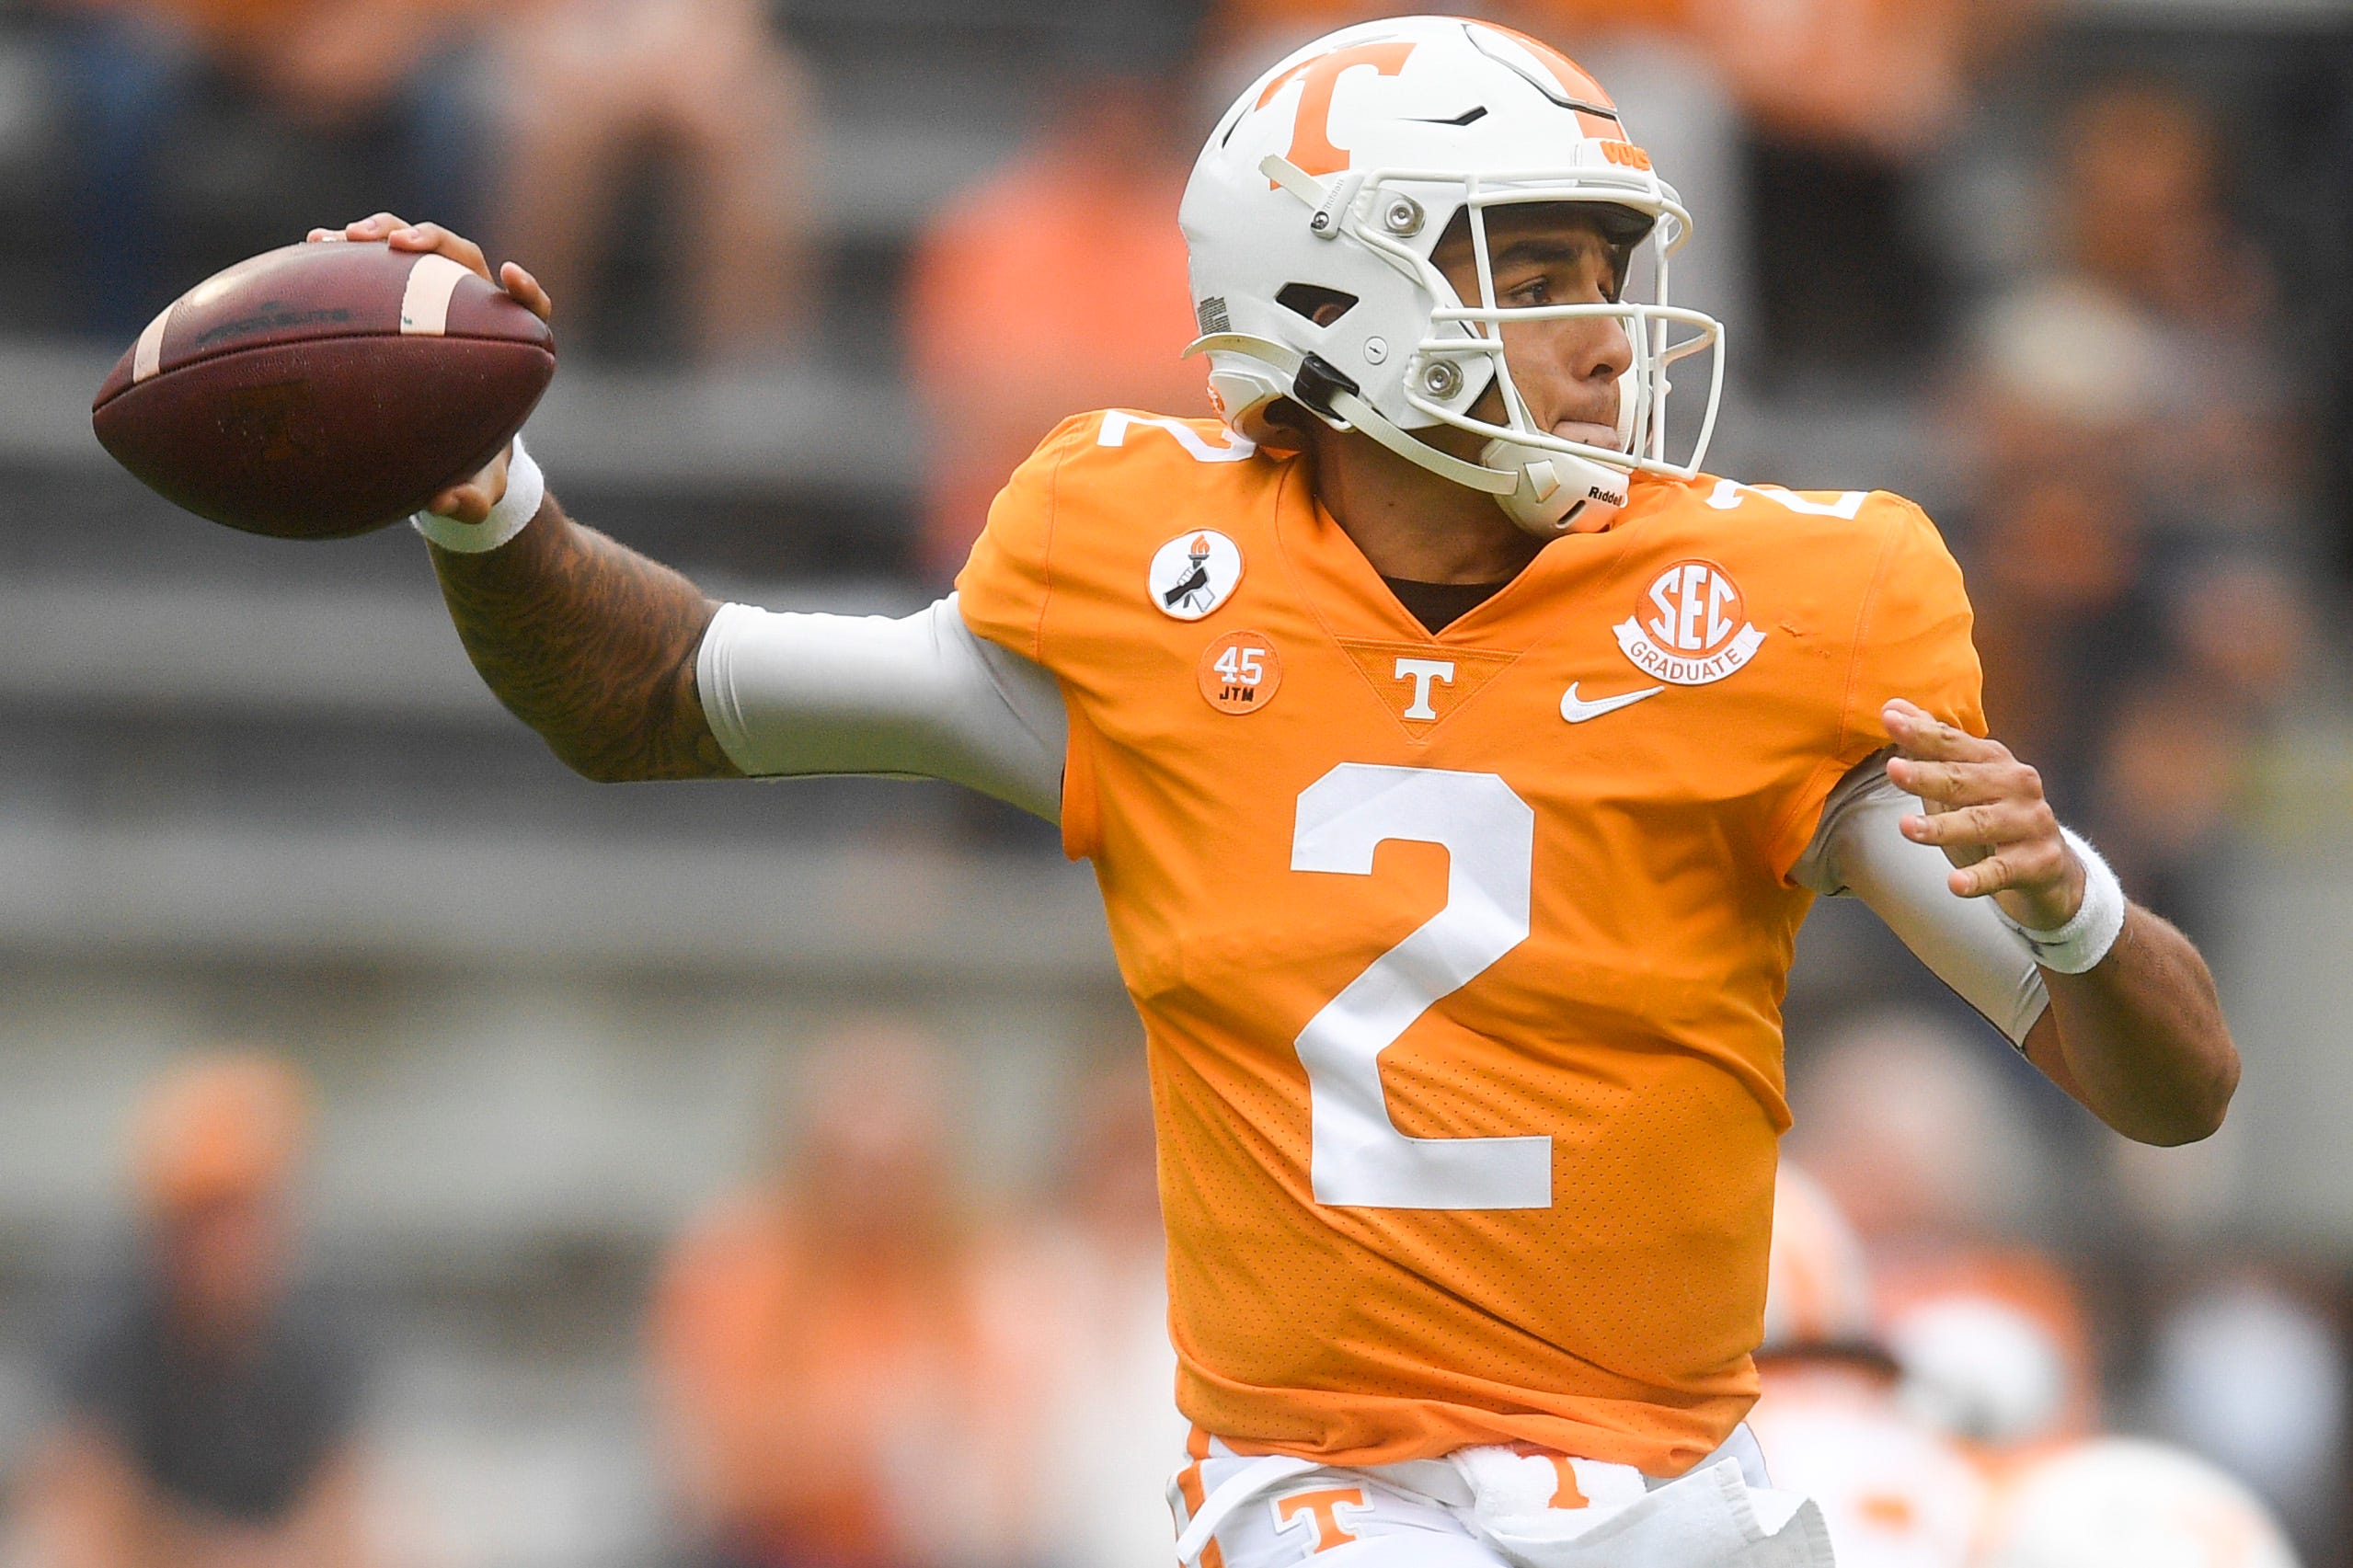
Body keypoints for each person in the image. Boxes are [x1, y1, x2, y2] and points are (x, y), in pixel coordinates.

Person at [305, 14, 2237, 1565]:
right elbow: (659, 691)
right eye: (1534, 272)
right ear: (1333, 296)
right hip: (1328, 1490)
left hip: (1676, 1485)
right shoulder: (1143, 580)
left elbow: (2170, 1091)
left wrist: (2069, 906)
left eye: (1607, 269)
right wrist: (487, 498)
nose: (1603, 336)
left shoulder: (1780, 609)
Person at [6, 1054, 373, 1568]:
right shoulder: (101, 1321)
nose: (225, 1244)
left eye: (245, 1214)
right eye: (203, 1216)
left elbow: (345, 1506)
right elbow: (78, 1503)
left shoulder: (325, 1322)